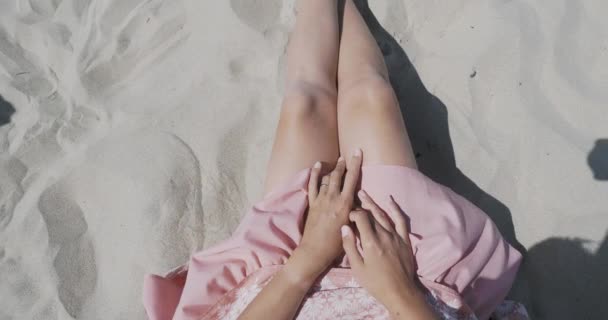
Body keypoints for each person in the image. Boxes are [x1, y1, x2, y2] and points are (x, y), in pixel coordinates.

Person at [143, 1, 526, 319]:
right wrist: (399, 292)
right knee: (371, 97)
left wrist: (308, 258)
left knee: (304, 106)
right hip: (408, 286)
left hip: (283, 281)